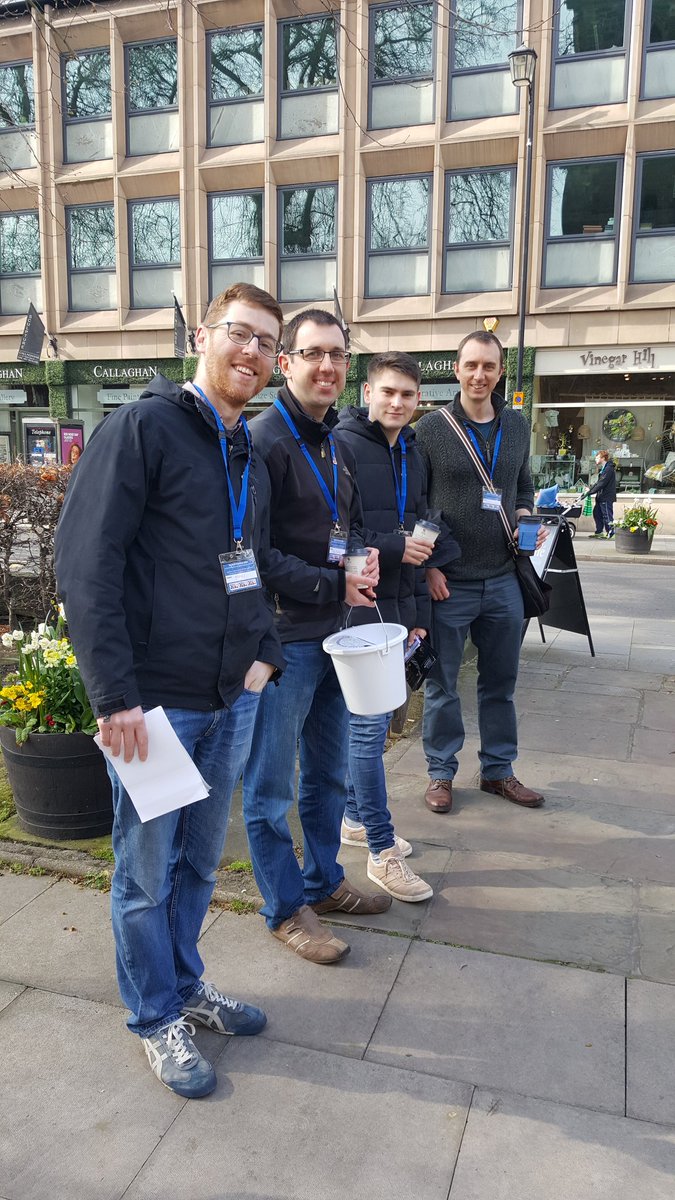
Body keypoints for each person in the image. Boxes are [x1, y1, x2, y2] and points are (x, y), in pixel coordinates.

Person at [54, 283, 287, 1099]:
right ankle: (155, 1018)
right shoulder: (143, 428)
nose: (251, 353)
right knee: (145, 874)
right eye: (239, 334)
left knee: (194, 864)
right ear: (203, 335)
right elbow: (86, 568)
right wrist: (114, 697)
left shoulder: (247, 450)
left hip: (230, 699)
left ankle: (186, 987)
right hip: (151, 708)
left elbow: (250, 567)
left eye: (266, 342)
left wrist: (264, 660)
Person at [242, 308, 390, 965]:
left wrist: (360, 559)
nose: (325, 366)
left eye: (335, 355)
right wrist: (333, 585)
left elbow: (345, 526)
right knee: (269, 787)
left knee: (327, 774)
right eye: (311, 354)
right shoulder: (263, 440)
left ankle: (322, 882)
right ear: (287, 363)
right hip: (281, 641)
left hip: (333, 637)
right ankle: (283, 910)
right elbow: (249, 554)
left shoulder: (332, 441)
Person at [335, 351, 460, 901]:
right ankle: (381, 852)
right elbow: (336, 530)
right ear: (367, 393)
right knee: (367, 731)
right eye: (388, 392)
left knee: (377, 723)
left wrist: (419, 623)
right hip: (358, 607)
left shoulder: (410, 448)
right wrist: (394, 546)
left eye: (408, 395)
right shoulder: (342, 443)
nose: (397, 402)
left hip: (398, 611)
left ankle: (354, 817)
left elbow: (421, 537)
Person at [415, 331, 545, 814]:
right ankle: (440, 773)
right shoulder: (431, 428)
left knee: (500, 682)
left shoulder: (516, 425)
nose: (479, 375)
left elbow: (523, 484)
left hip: (505, 579)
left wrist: (526, 514)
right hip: (451, 581)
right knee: (443, 684)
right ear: (456, 368)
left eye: (488, 366)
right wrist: (428, 566)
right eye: (471, 365)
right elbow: (417, 504)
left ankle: (498, 771)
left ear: (499, 371)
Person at [588, 450, 617, 538]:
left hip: (606, 496)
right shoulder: (604, 468)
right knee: (597, 513)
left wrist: (591, 492)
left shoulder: (609, 469)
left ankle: (611, 533)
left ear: (603, 458)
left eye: (597, 457)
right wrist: (590, 489)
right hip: (601, 496)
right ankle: (599, 531)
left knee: (607, 515)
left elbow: (602, 483)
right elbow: (599, 482)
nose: (595, 459)